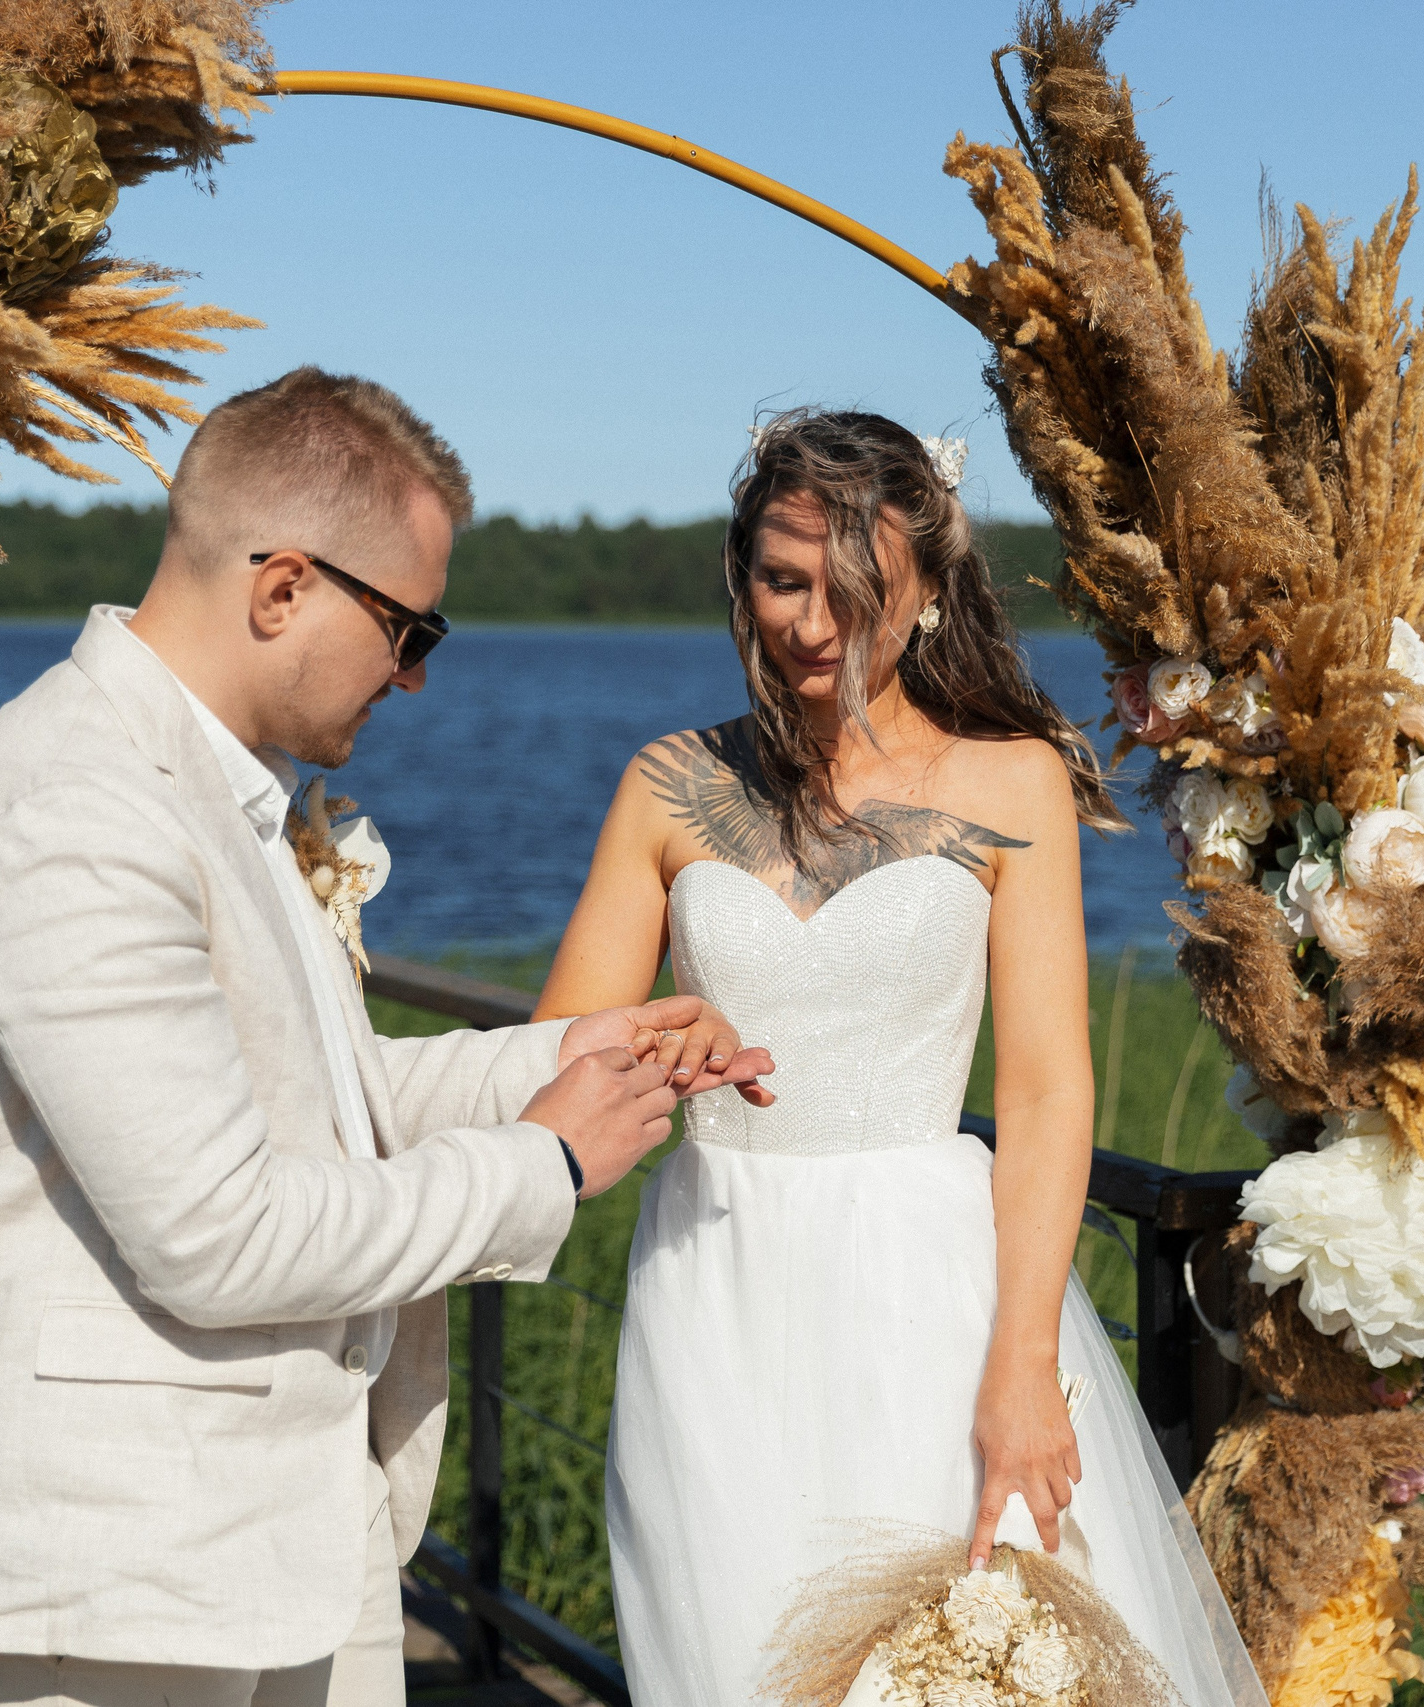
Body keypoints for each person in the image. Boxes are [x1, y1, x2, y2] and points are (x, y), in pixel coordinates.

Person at [0, 367, 773, 1707]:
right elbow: (220, 1231)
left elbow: (323, 1101)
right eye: (410, 630)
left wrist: (578, 1052)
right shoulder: (76, 808)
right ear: (283, 586)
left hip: (256, 1537)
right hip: (115, 1574)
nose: (411, 680)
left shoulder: (213, 789)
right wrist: (544, 1164)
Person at [536, 409, 1264, 1704]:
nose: (813, 621)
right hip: (715, 1294)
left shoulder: (1013, 782)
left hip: (934, 1299)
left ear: (929, 585)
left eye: (854, 586)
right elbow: (559, 1062)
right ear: (741, 575)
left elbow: (1045, 1091)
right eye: (782, 578)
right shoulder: (667, 782)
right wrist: (662, 1037)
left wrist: (1023, 1367)